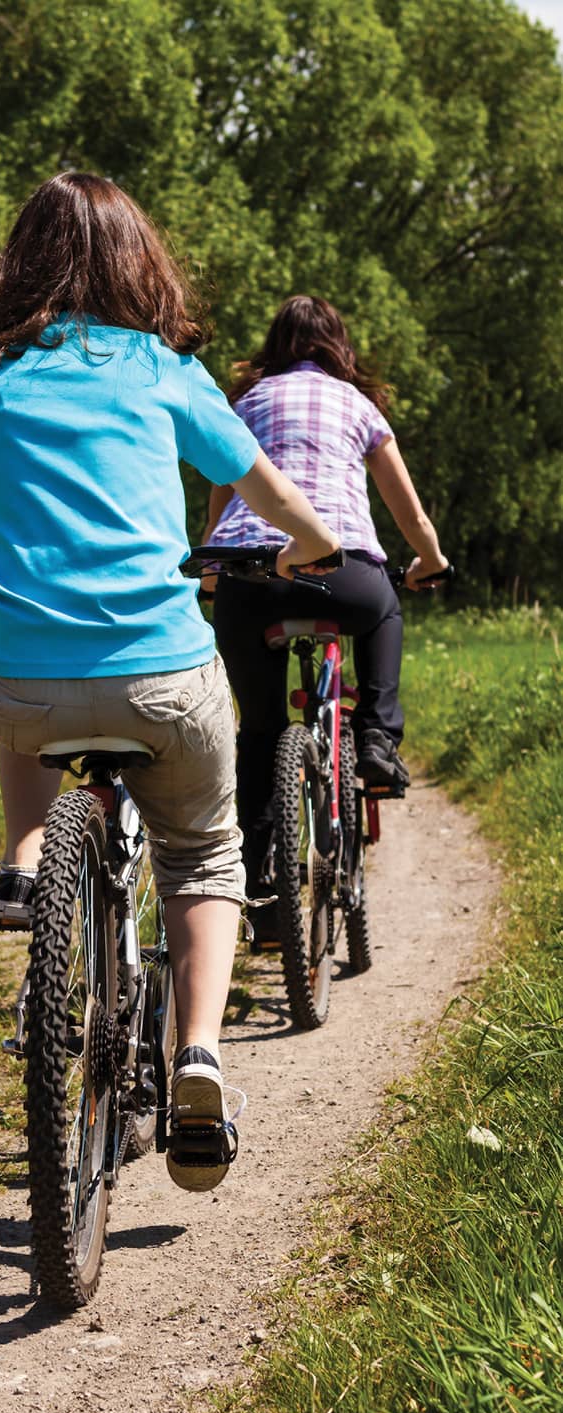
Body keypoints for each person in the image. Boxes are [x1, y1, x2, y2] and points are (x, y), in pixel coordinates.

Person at [0, 172, 339, 1192]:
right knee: (204, 852)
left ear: (20, 260)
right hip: (162, 675)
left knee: (10, 672)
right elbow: (264, 487)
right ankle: (199, 1051)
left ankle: (27, 856)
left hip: (25, 682)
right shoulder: (167, 369)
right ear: (137, 261)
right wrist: (311, 542)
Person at [201, 295, 448, 942]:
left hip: (250, 577)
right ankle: (375, 741)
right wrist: (430, 558)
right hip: (344, 574)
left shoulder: (244, 404)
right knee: (384, 609)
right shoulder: (358, 405)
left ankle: (262, 897)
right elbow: (408, 510)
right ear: (339, 346)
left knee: (258, 732)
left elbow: (218, 505)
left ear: (274, 345)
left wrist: (210, 577)